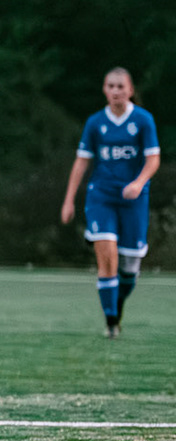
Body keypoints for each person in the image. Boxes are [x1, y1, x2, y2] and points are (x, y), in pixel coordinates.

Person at [60, 67, 159, 338]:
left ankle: (117, 305)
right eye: (110, 86)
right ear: (104, 89)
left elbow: (153, 159)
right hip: (101, 196)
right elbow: (82, 162)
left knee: (129, 268)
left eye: (120, 87)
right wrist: (68, 200)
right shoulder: (95, 123)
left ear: (130, 90)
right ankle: (111, 322)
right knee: (107, 257)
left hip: (133, 200)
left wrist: (137, 183)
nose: (115, 91)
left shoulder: (142, 120)